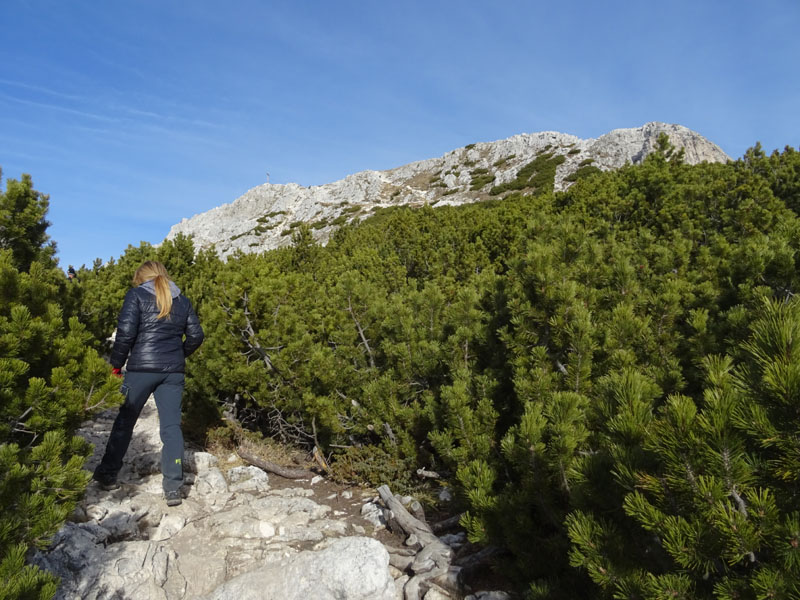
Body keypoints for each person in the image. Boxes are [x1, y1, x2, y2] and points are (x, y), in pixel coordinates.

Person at [93, 261, 204, 506]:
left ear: (141, 278)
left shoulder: (136, 296)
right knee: (171, 427)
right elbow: (197, 335)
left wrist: (115, 365)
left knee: (125, 420)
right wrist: (179, 355)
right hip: (173, 372)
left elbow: (125, 334)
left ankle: (108, 474)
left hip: (141, 369)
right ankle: (173, 487)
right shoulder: (182, 300)